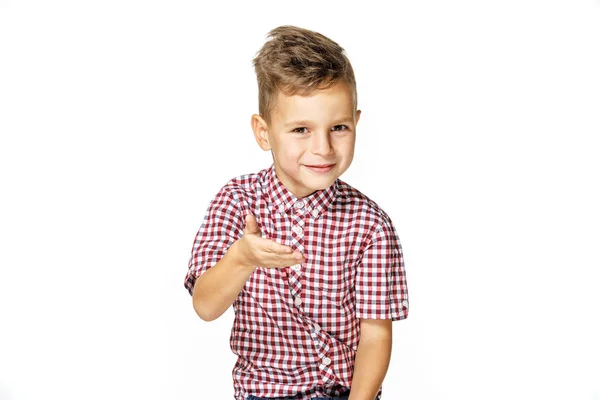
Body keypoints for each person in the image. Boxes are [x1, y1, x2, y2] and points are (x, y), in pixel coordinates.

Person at [183, 25, 409, 400]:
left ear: (356, 122)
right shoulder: (237, 201)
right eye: (301, 129)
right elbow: (205, 306)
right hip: (264, 393)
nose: (323, 148)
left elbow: (375, 334)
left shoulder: (371, 225)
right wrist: (241, 258)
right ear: (264, 132)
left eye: (338, 127)